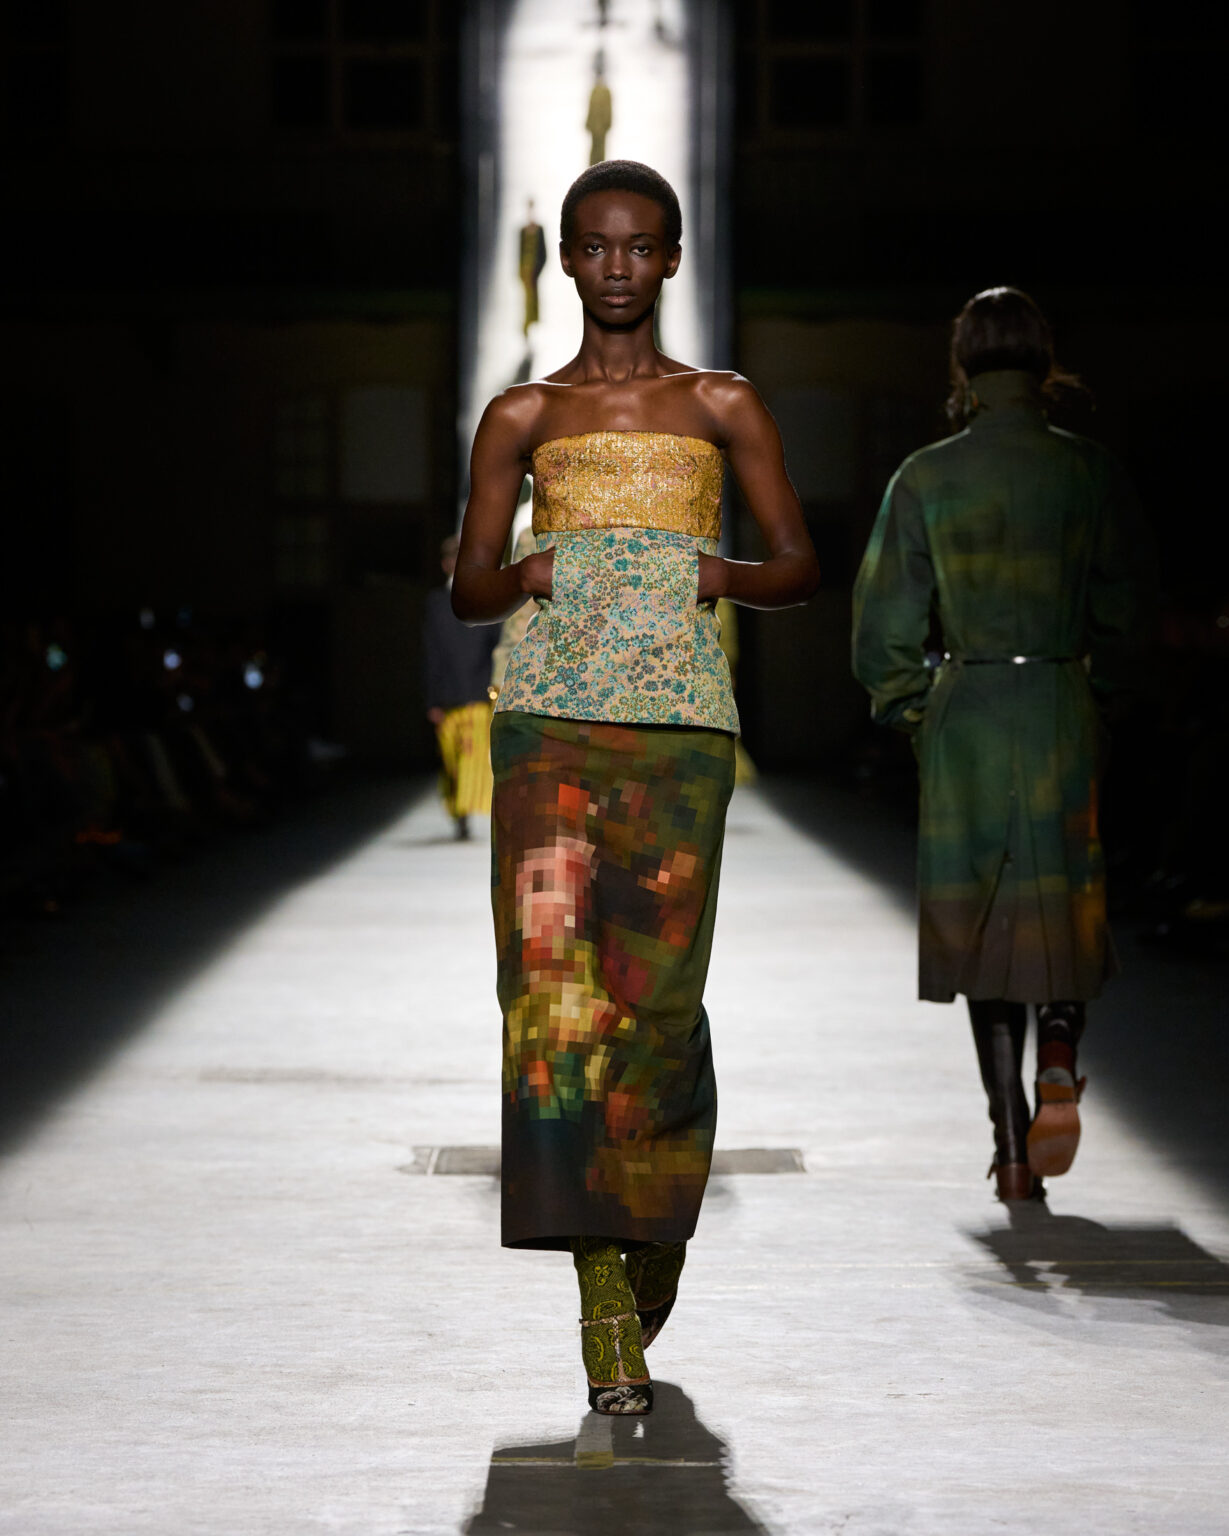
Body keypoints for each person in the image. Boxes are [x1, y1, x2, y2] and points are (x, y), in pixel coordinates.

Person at [453, 160, 818, 1413]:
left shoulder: (721, 403)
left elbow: (798, 564)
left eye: (639, 246)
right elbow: (466, 587)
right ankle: (602, 1298)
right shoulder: (520, 415)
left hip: (677, 736)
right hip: (543, 727)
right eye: (595, 246)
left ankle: (651, 1230)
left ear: (669, 258)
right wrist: (524, 572)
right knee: (551, 1013)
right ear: (566, 259)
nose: (616, 266)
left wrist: (717, 577)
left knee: (655, 1012)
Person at [852, 287, 1152, 1203]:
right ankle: (1058, 1046)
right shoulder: (1087, 471)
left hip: (968, 713)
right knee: (1061, 905)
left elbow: (883, 628)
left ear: (964, 365)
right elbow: (1128, 611)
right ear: (1042, 361)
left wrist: (917, 712)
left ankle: (1012, 1152)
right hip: (1058, 702)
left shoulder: (925, 477)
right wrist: (1097, 705)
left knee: (982, 927)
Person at [422, 535, 497, 840]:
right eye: (452, 558)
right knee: (452, 760)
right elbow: (431, 652)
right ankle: (459, 813)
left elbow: (495, 645)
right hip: (448, 695)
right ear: (445, 564)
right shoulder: (435, 603)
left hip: (478, 693)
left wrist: (495, 687)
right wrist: (432, 701)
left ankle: (468, 816)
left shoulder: (486, 598)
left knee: (472, 758)